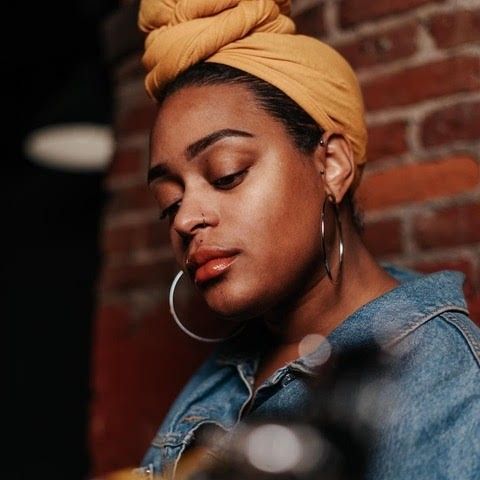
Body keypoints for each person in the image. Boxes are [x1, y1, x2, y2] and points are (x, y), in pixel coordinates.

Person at [133, 1, 480, 478]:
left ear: (331, 165)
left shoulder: (444, 384)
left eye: (227, 174)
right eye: (169, 202)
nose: (186, 218)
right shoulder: (235, 366)